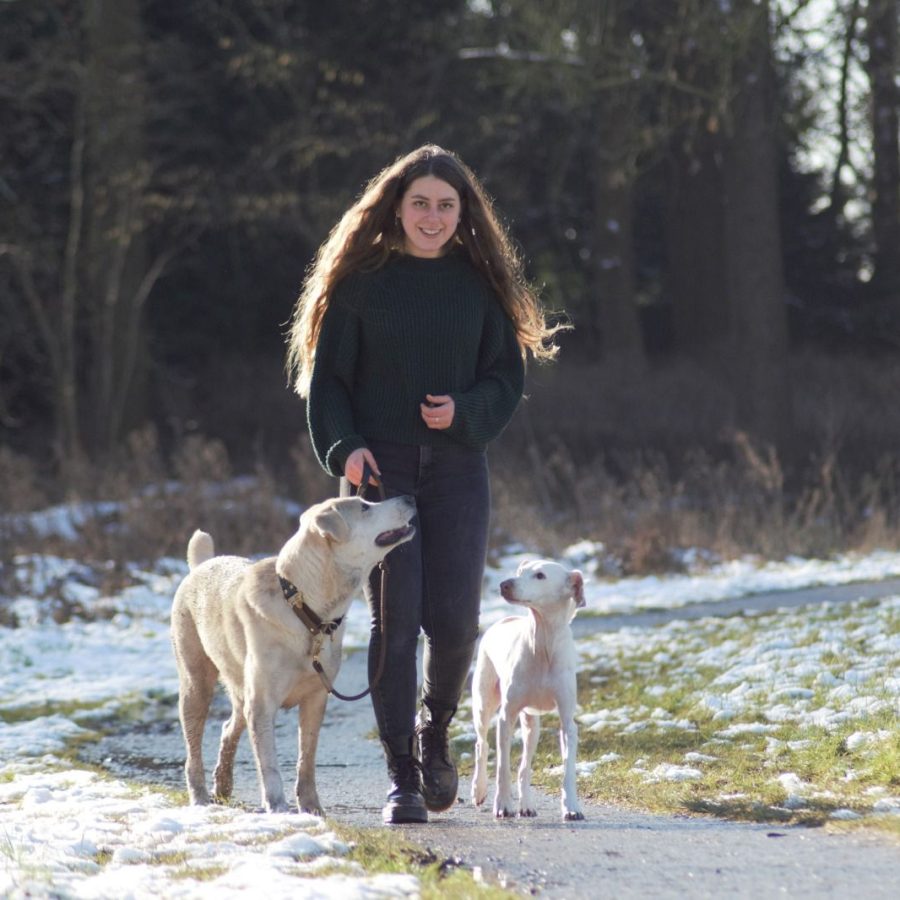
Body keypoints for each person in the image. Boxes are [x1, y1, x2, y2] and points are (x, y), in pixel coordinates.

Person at [286, 144, 565, 825]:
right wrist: (345, 448)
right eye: (420, 204)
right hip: (381, 477)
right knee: (396, 622)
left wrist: (462, 411)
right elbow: (329, 386)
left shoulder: (480, 285)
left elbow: (505, 379)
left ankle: (434, 730)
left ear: (463, 212)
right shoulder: (362, 284)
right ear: (396, 208)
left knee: (455, 622)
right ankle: (401, 774)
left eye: (445, 205)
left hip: (458, 470)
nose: (432, 217)